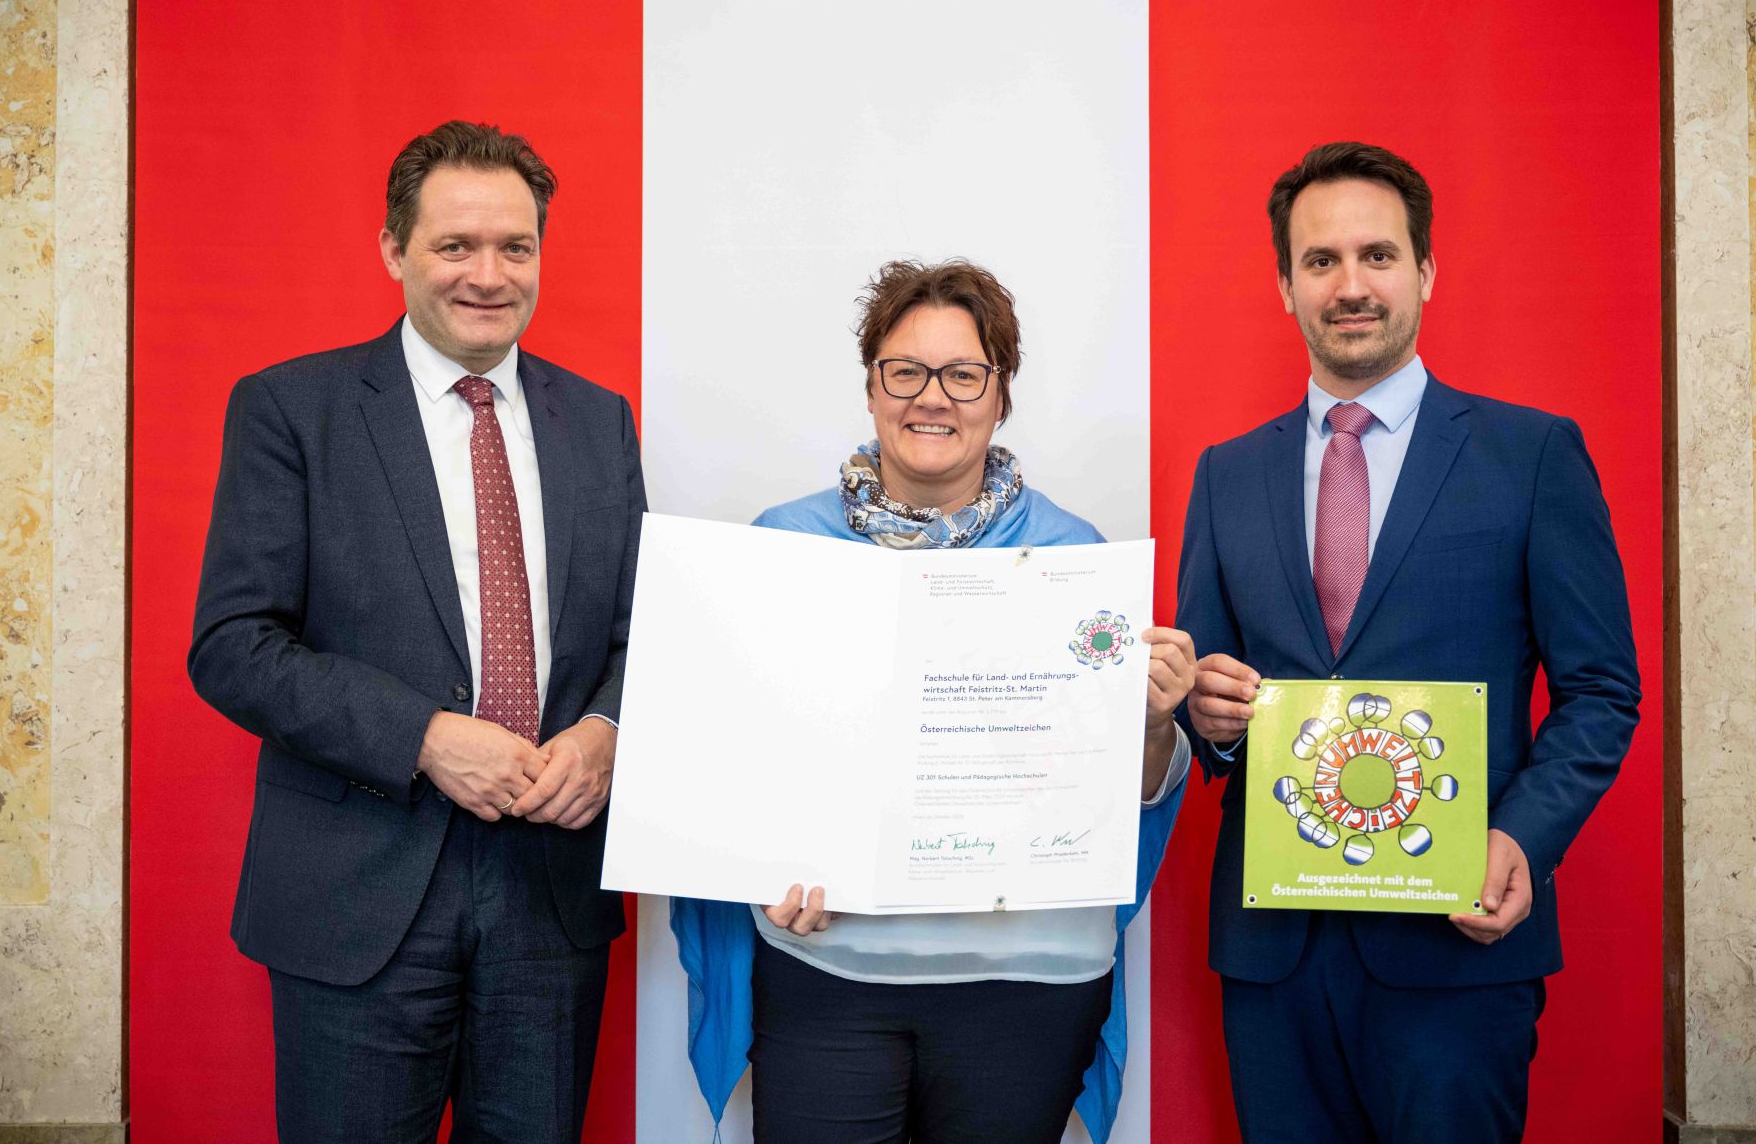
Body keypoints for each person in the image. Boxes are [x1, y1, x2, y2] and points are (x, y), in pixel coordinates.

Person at [188, 120, 644, 1142]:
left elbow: (638, 634)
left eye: (514, 247)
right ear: (395, 251)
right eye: (455, 245)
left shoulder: (599, 421)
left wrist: (608, 730)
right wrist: (426, 739)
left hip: (549, 898)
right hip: (356, 894)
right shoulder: (290, 410)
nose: (487, 274)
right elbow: (232, 644)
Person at [1175, 142, 1640, 1142]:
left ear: (1424, 272)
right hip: (1273, 957)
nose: (1350, 285)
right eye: (1320, 261)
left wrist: (1520, 837)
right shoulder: (1225, 476)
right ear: (1283, 286)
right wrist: (1206, 716)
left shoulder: (1530, 456)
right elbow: (1207, 701)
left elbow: (1600, 688)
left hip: (1455, 948)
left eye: (1376, 255)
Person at [671, 259, 1196, 1144]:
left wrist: (1150, 720)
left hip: (1030, 982)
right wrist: (756, 861)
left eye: (964, 374)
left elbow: (1129, 789)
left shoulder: (1077, 563)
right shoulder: (781, 548)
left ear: (1001, 395)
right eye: (905, 370)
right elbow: (733, 766)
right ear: (872, 386)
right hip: (828, 970)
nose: (932, 398)